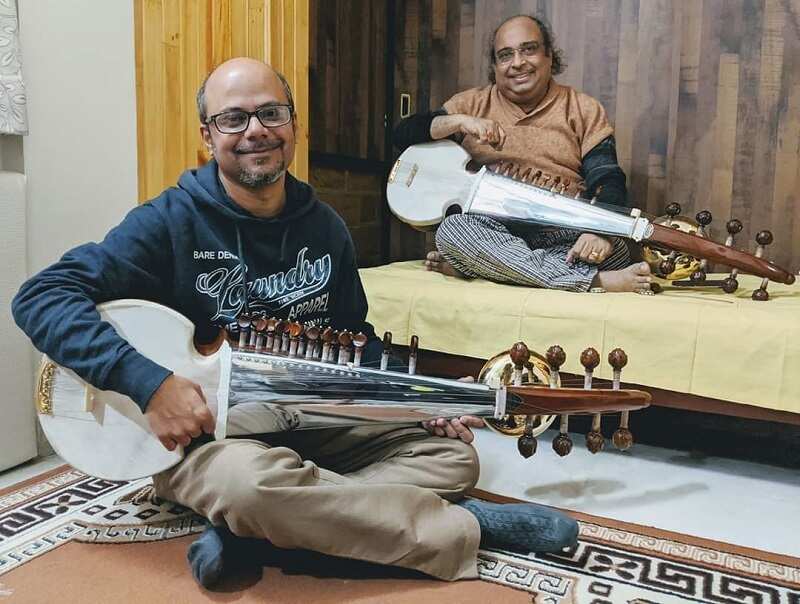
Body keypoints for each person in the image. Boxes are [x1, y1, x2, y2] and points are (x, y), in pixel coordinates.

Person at [12, 57, 578, 589]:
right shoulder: (168, 221)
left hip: (311, 415)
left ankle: (260, 532)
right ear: (208, 136)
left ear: (293, 126)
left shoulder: (325, 226)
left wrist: (418, 400)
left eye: (270, 113)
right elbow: (40, 296)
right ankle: (464, 528)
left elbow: (356, 340)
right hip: (213, 434)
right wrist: (150, 384)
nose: (255, 129)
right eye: (233, 118)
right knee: (247, 484)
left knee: (453, 458)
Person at [394, 14, 652, 294]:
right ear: (494, 67)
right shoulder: (471, 104)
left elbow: (608, 178)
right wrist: (458, 121)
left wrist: (598, 232)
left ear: (549, 56)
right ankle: (593, 281)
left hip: (562, 230)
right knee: (453, 232)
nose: (517, 62)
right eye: (505, 55)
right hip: (491, 227)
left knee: (617, 251)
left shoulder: (582, 108)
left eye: (528, 49)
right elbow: (402, 134)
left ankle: (481, 268)